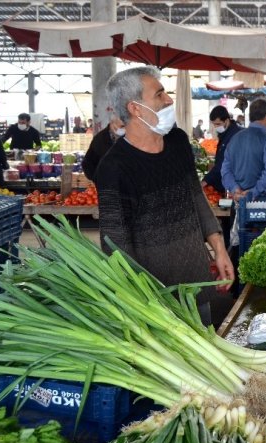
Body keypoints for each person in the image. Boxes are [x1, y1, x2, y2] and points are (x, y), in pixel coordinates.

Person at [95, 66, 234, 327]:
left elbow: (196, 195)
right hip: (157, 298)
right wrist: (143, 300)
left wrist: (219, 249)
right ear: (135, 108)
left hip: (197, 282)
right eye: (159, 94)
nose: (169, 100)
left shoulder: (178, 141)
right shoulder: (114, 168)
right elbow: (115, 244)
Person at [222, 98, 266, 203]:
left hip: (239, 201)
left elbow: (225, 170)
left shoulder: (234, 139)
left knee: (242, 219)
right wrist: (253, 192)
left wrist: (235, 189)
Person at [202, 106, 241, 195]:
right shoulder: (225, 133)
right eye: (214, 124)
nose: (215, 127)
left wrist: (205, 181)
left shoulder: (234, 136)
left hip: (233, 183)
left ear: (226, 121)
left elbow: (223, 163)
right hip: (224, 181)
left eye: (218, 124)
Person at [82, 116, 125, 182]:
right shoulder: (100, 139)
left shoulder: (130, 137)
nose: (124, 129)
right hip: (107, 184)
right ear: (113, 122)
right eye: (122, 126)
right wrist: (98, 180)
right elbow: (87, 163)